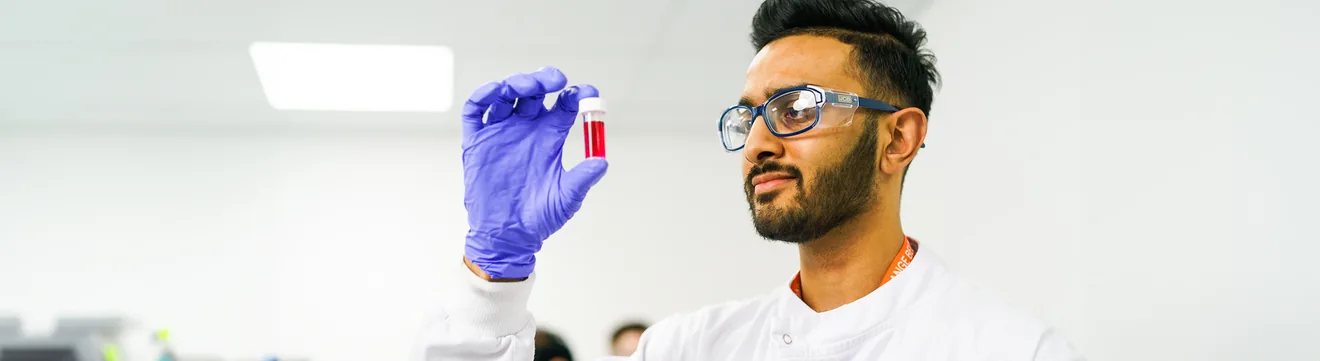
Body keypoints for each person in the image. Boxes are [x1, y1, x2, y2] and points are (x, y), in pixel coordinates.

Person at [421, 0, 1085, 360]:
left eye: (795, 109)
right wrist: (494, 267)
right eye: (750, 115)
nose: (759, 141)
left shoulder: (1011, 348)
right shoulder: (686, 347)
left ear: (898, 138)